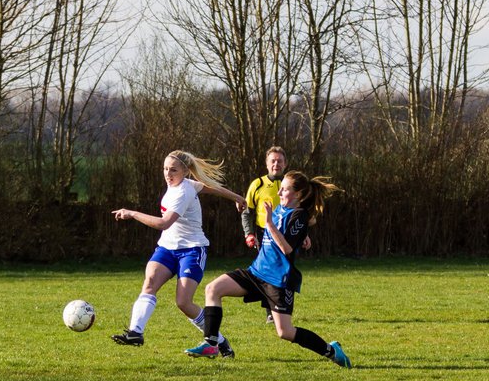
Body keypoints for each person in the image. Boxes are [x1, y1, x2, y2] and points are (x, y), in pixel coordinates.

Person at [186, 170, 350, 368]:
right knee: (213, 289)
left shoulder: (299, 215)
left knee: (285, 332)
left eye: (285, 189)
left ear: (297, 194)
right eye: (280, 189)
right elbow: (290, 232)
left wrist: (271, 224)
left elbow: (287, 248)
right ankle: (211, 343)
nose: (279, 192)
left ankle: (331, 350)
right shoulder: (282, 208)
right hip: (255, 272)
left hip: (278, 280)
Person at [111, 150, 247, 352]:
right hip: (167, 247)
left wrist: (132, 213)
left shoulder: (184, 192)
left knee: (183, 302)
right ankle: (135, 332)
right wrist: (237, 197)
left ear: (184, 171)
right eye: (165, 169)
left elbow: (164, 223)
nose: (167, 173)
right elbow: (210, 188)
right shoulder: (185, 186)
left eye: (173, 170)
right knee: (149, 283)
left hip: (192, 250)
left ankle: (219, 341)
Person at [240, 146, 309, 323]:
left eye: (279, 161)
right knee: (266, 270)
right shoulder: (258, 184)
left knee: (283, 267)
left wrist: (304, 235)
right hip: (264, 232)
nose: (276, 164)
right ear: (267, 163)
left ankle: (280, 307)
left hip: (284, 234)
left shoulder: (290, 184)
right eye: (273, 160)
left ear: (285, 163)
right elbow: (247, 211)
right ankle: (270, 312)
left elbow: (298, 217)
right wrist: (249, 233)